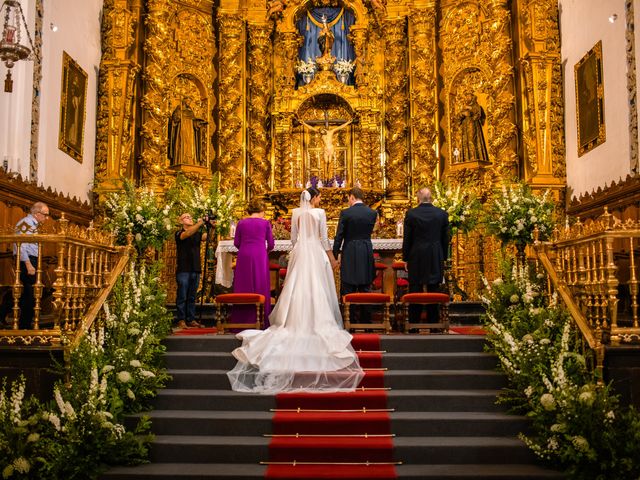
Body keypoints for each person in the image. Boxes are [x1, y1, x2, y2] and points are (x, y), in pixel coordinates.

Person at [227, 187, 364, 393]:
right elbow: (324, 238)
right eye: (319, 197)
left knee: (297, 286)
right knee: (316, 287)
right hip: (315, 252)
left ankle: (294, 319)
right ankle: (316, 318)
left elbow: (293, 239)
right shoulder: (320, 213)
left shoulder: (296, 213)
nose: (319, 200)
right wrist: (331, 257)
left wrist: (299, 249)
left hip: (300, 252)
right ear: (315, 197)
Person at [402, 187, 449, 325]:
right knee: (433, 287)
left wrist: (405, 258)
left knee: (415, 288)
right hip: (435, 253)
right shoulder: (442, 214)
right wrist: (443, 257)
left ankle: (413, 322)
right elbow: (445, 239)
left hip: (417, 254)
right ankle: (434, 323)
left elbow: (407, 238)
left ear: (418, 198)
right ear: (431, 198)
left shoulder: (411, 214)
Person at [333, 187, 378, 323]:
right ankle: (366, 320)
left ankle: (350, 320)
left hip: (350, 250)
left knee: (348, 286)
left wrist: (335, 254)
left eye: (348, 198)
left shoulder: (346, 213)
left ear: (352, 197)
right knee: (366, 285)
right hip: (365, 249)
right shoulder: (372, 212)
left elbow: (339, 235)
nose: (348, 201)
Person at [231, 198, 275, 328]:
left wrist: (246, 248)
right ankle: (261, 320)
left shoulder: (241, 223)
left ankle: (241, 320)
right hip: (260, 256)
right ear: (261, 210)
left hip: (244, 255)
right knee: (260, 284)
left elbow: (236, 243)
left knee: (244, 284)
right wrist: (263, 249)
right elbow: (271, 244)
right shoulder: (265, 223)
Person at [12, 202, 50, 329]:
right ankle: (24, 325)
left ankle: (6, 312)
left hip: (34, 260)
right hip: (26, 261)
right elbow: (20, 246)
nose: (47, 218)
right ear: (37, 213)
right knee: (30, 292)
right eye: (45, 215)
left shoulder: (35, 225)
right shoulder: (26, 223)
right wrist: (28, 265)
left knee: (33, 292)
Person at [175, 212, 208, 328]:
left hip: (195, 267)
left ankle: (191, 319)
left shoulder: (197, 233)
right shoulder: (179, 233)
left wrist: (212, 227)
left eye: (190, 217)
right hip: (184, 268)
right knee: (182, 295)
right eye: (186, 217)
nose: (189, 218)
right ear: (181, 221)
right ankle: (181, 319)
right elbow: (187, 234)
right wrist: (200, 223)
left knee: (192, 296)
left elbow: (207, 237)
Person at [301, 118, 352, 183]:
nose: (322, 134)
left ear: (324, 130)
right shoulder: (320, 133)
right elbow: (311, 128)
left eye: (322, 132)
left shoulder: (331, 132)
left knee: (330, 161)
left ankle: (328, 174)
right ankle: (325, 175)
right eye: (321, 133)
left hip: (330, 148)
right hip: (325, 149)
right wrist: (304, 123)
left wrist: (347, 123)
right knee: (326, 161)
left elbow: (339, 127)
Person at [168, 97, 206, 166]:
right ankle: (181, 160)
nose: (189, 103)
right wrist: (179, 115)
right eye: (188, 101)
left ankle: (190, 162)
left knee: (190, 146)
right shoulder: (179, 109)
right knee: (181, 144)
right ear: (184, 101)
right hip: (182, 129)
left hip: (190, 131)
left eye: (190, 102)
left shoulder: (190, 111)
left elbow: (194, 122)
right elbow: (175, 119)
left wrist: (198, 123)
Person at [457, 93, 489, 164]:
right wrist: (462, 114)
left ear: (473, 97)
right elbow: (457, 118)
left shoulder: (476, 106)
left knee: (472, 141)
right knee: (465, 142)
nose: (467, 98)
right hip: (464, 127)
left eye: (469, 96)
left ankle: (474, 157)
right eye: (466, 96)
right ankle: (466, 159)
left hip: (472, 124)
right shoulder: (464, 107)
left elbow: (478, 112)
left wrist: (469, 109)